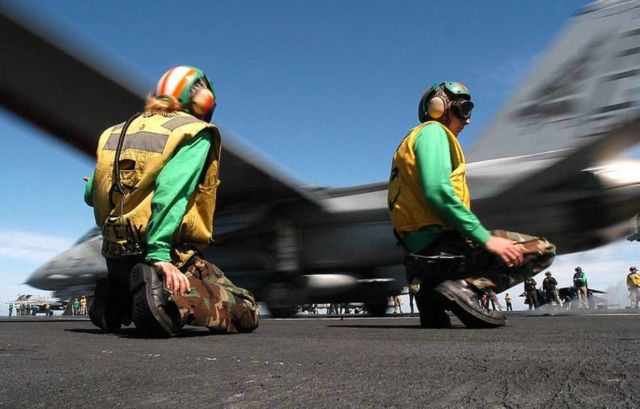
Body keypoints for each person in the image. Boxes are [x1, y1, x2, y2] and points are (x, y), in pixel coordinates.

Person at [85, 66, 259, 336]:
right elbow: (172, 192)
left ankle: (115, 298)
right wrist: (159, 255)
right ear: (203, 100)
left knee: (135, 277)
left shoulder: (114, 132)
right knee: (247, 309)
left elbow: (91, 195)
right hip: (170, 257)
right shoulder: (193, 132)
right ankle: (170, 302)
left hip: (115, 258)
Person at [388, 81, 555, 328]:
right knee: (542, 249)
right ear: (439, 107)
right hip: (441, 249)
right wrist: (486, 239)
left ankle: (431, 299)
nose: (468, 120)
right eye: (464, 109)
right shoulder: (434, 132)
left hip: (418, 259)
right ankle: (465, 289)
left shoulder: (411, 141)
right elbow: (438, 192)